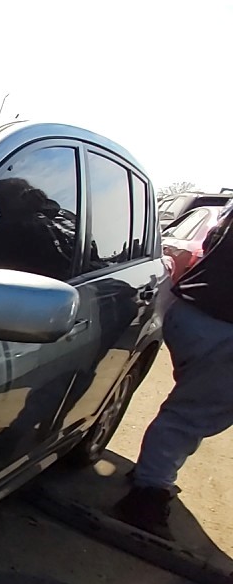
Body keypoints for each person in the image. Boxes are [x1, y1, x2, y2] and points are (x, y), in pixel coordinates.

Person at [114, 201, 233, 538]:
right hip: (221, 327)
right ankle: (146, 496)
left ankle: (152, 474)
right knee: (190, 416)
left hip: (192, 313)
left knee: (195, 407)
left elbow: (211, 246)